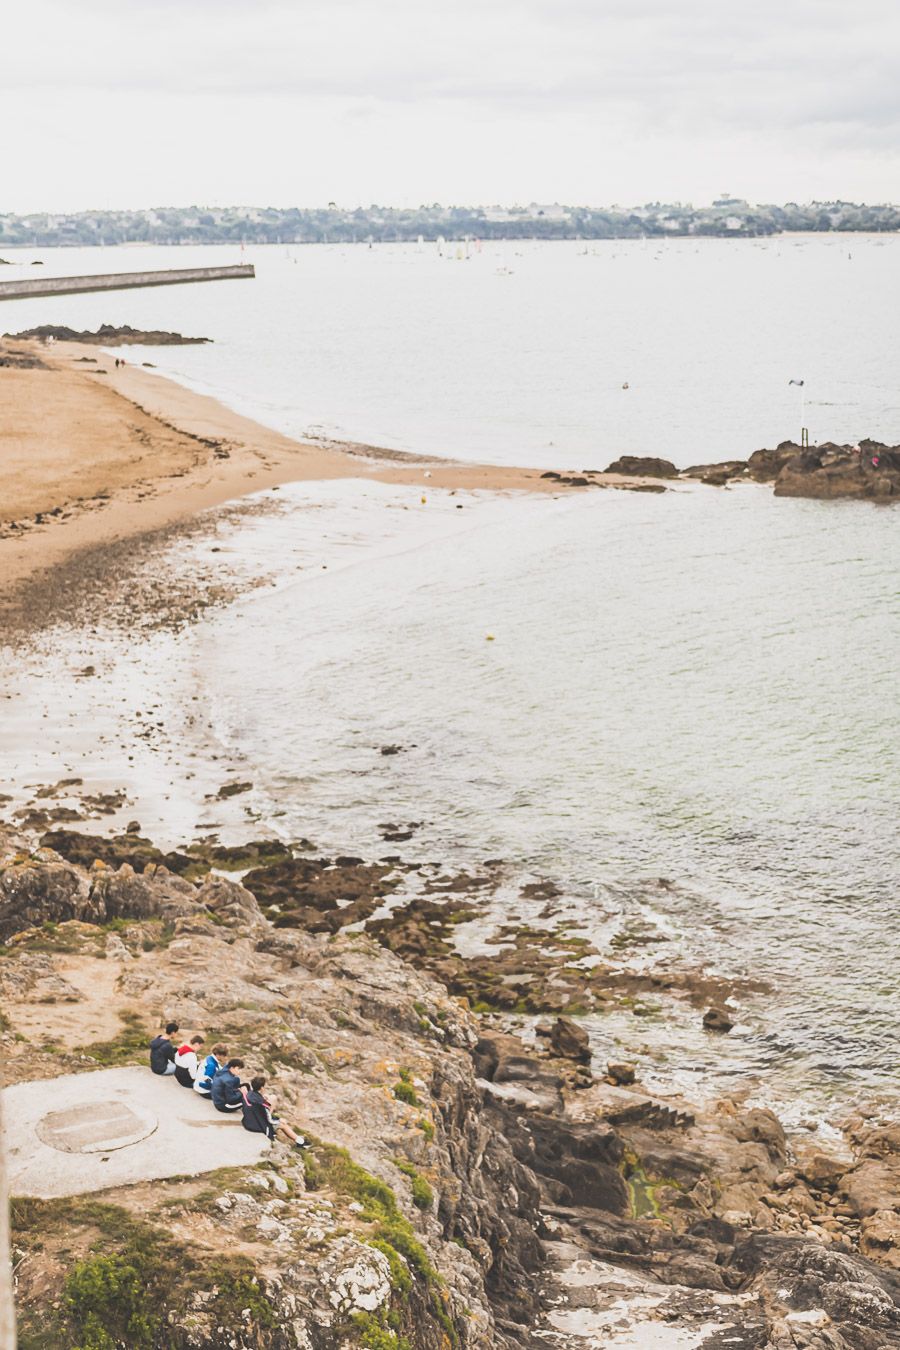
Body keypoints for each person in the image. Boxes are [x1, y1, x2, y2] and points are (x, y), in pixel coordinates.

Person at [240, 1076, 308, 1150]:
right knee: (283, 1125)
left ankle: (299, 1140)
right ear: (262, 1088)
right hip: (257, 1125)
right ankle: (301, 1142)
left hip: (248, 1121)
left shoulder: (250, 1094)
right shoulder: (261, 1103)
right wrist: (278, 1119)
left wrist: (263, 1098)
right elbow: (269, 1119)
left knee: (273, 1100)